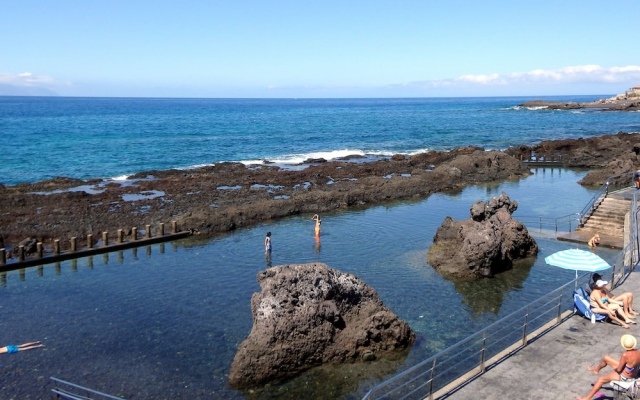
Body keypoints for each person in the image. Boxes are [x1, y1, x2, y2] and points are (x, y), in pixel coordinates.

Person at [577, 334, 640, 400]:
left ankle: (587, 398)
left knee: (601, 379)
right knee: (606, 358)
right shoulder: (638, 353)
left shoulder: (625, 355)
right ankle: (596, 369)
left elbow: (619, 370)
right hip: (632, 373)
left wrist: (615, 368)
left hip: (625, 377)